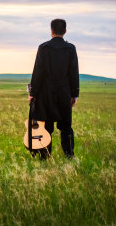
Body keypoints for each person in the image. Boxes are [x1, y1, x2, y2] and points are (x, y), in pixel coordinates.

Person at [28, 18, 79, 159]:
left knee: (46, 127)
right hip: (64, 93)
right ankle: (69, 155)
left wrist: (33, 93)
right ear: (65, 31)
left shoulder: (43, 48)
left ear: (51, 31)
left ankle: (45, 156)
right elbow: (74, 72)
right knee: (66, 127)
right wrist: (74, 95)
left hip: (46, 94)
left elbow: (38, 72)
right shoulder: (70, 49)